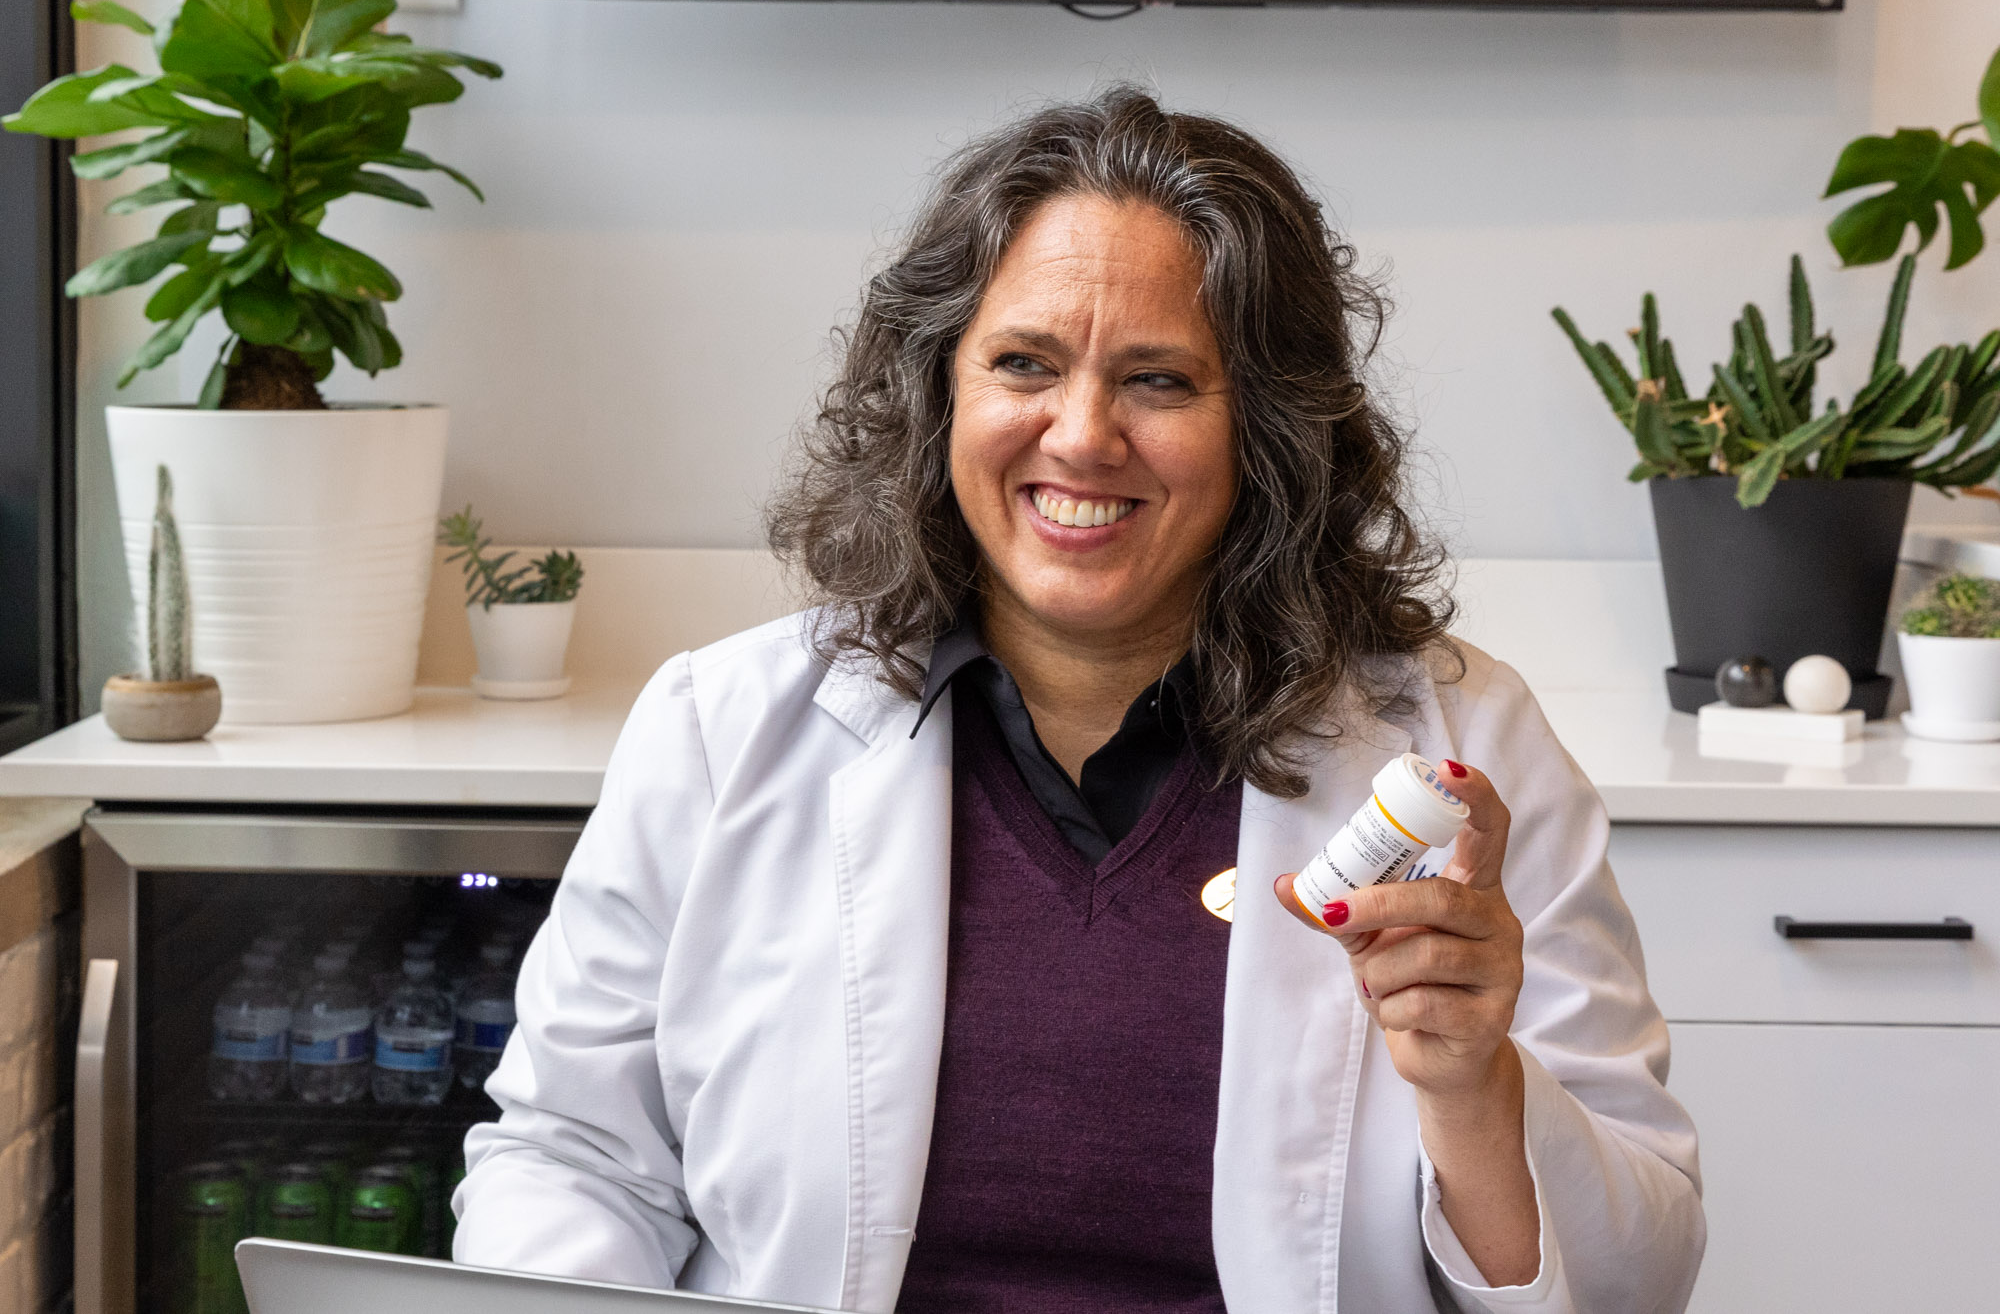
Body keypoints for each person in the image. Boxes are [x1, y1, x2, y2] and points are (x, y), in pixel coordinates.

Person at [454, 86, 1704, 1313]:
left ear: (1265, 429)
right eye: (1023, 364)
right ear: (941, 388)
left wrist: (1474, 1085)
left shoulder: (1465, 751)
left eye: (1158, 380)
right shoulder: (720, 729)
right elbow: (572, 1159)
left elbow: (1633, 1286)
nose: (1081, 434)